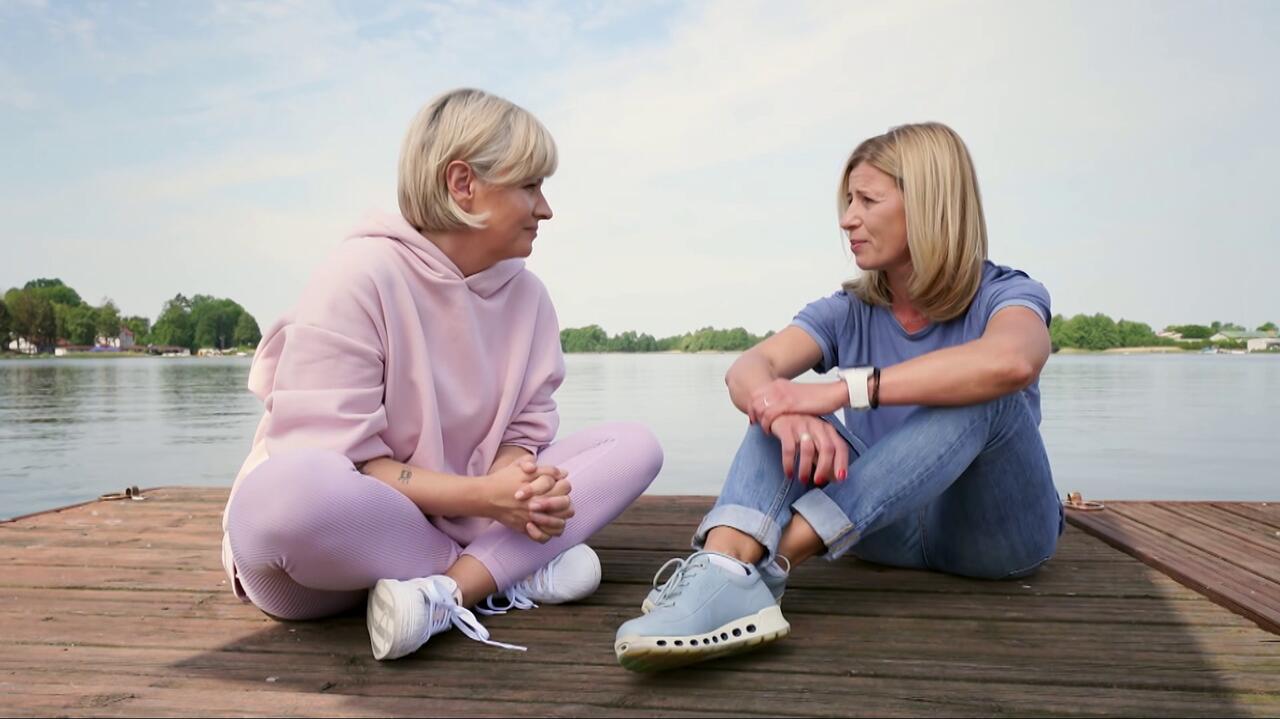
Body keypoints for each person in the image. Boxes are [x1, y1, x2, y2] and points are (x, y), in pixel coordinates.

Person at [220, 88, 664, 661]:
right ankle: (503, 571)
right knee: (278, 502)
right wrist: (490, 501)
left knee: (635, 446)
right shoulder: (359, 274)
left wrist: (519, 485)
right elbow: (346, 463)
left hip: (472, 520)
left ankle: (447, 594)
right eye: (531, 186)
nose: (546, 209)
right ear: (462, 183)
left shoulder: (529, 298)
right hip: (331, 556)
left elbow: (522, 436)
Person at [614, 122, 1061, 672]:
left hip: (992, 536)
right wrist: (785, 415)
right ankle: (724, 571)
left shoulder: (1006, 292)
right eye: (848, 201)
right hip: (879, 528)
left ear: (929, 205)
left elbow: (1012, 361)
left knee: (989, 394)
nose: (847, 218)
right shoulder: (847, 310)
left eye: (867, 200)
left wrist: (840, 391)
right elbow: (746, 370)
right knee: (775, 406)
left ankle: (771, 566)